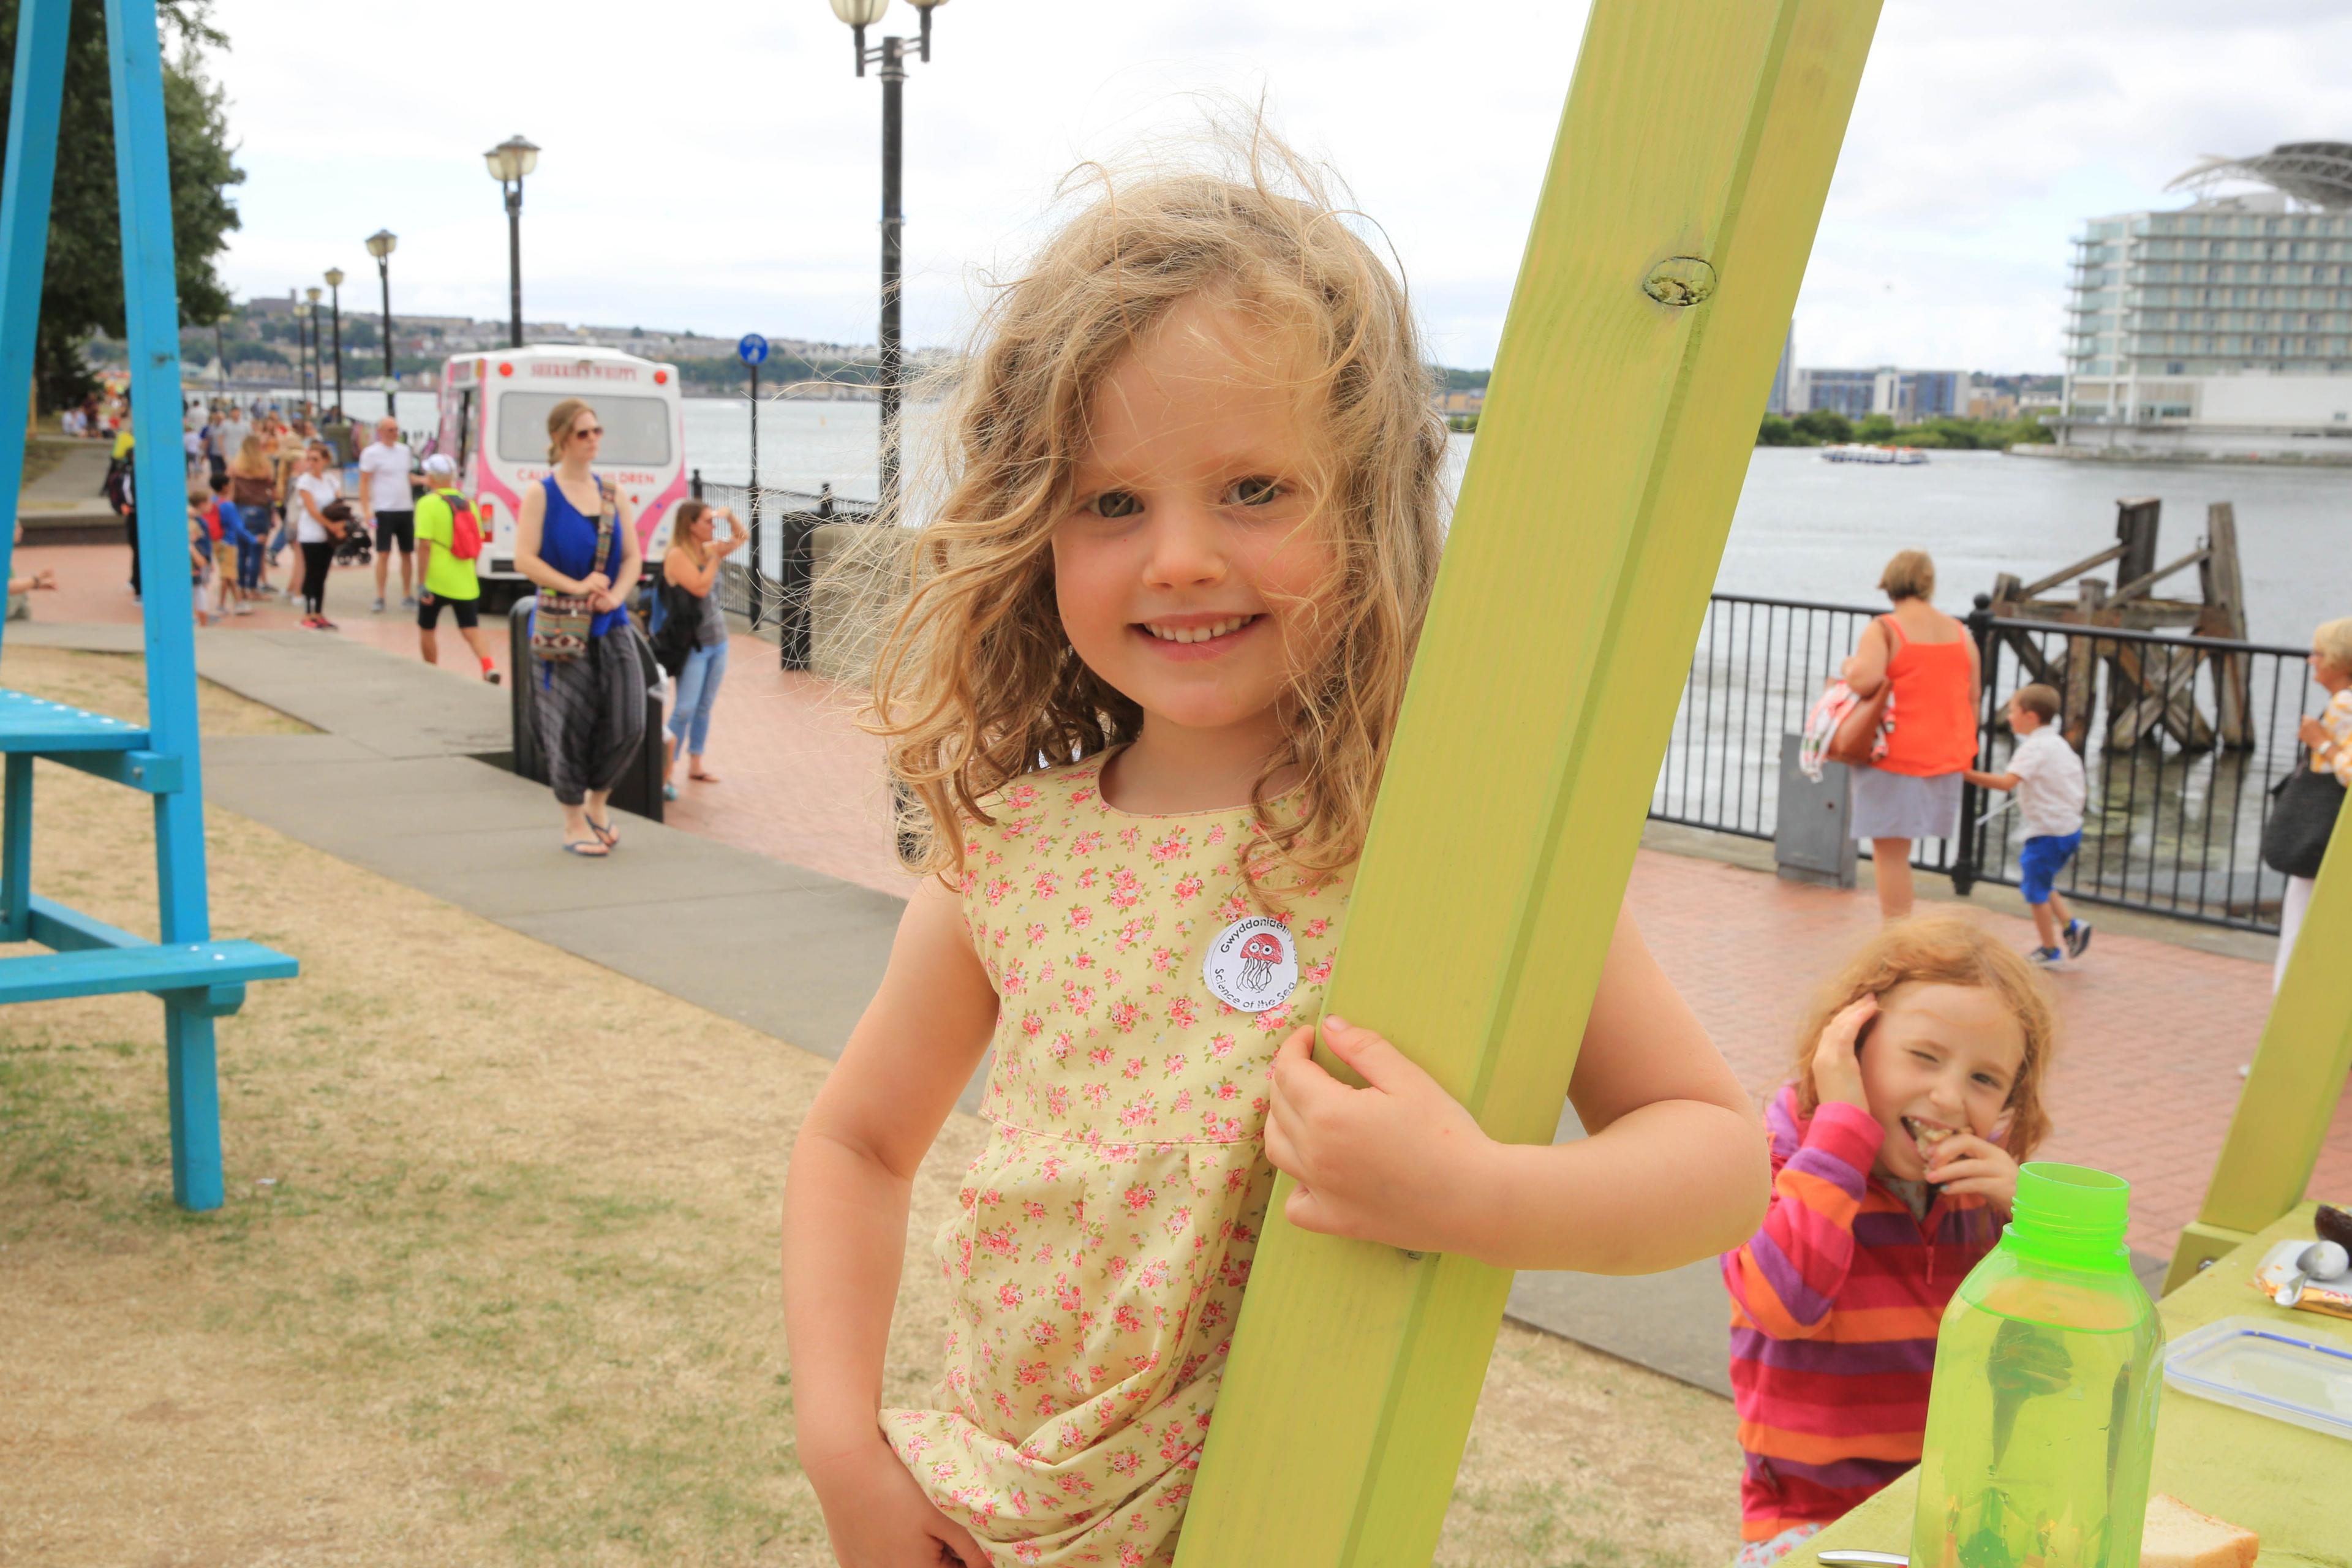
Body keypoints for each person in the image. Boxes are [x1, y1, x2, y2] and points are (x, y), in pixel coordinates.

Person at [777, 153, 1771, 1568]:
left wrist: (1476, 1193)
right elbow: (855, 1141)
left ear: (1370, 507)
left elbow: (1715, 1155)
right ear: (1029, 524)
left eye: (1252, 487)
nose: (1178, 557)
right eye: (1110, 503)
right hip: (985, 1518)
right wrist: (842, 1449)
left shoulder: (1442, 849)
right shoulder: (1007, 850)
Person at [1721, 918, 2054, 1566]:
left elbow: (2044, 1356)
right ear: (1852, 1042)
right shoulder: (1774, 1159)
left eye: (1986, 1080)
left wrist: (2032, 1222)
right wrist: (1842, 1133)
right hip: (1809, 1520)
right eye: (1924, 1056)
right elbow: (1784, 1302)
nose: (1950, 1096)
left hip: (1951, 1508)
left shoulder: (1986, 1193)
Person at [514, 398, 644, 857]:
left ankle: (598, 802)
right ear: (560, 439)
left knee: (630, 719)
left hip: (612, 623)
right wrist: (576, 585)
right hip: (561, 628)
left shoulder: (613, 493)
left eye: (597, 431)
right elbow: (524, 558)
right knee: (566, 723)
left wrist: (615, 593)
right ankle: (573, 821)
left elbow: (632, 558)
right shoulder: (542, 494)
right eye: (583, 433)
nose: (593, 440)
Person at [1841, 550, 1979, 920]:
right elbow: (1973, 696)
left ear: (1890, 581)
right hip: (1944, 755)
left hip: (1894, 755)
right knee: (1906, 851)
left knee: (1890, 855)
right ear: (1928, 583)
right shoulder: (1961, 633)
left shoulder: (1885, 628)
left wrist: (1849, 665)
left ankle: (1897, 938)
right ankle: (1902, 934)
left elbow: (1864, 679)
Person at [1962, 683, 2090, 968]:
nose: (2008, 717)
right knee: (2043, 881)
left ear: (2030, 717)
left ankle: (2050, 950)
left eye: (2012, 711)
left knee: (2035, 890)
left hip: (2047, 832)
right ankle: (2071, 926)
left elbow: (2007, 783)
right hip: (2068, 828)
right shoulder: (2058, 744)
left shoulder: (2033, 749)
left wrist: (1966, 774)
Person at [2275, 617, 2352, 992]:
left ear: (2338, 662)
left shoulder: (2343, 705)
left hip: (2323, 829)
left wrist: (2320, 741)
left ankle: (2286, 1000)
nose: (2311, 661)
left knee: (2298, 924)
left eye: (2319, 654)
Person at [656, 500, 744, 800]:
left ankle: (696, 763)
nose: (712, 526)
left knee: (704, 706)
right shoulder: (678, 555)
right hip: (692, 644)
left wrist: (730, 516)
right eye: (707, 521)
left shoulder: (708, 550)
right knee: (684, 708)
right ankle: (663, 770)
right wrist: (716, 558)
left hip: (718, 641)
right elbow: (699, 588)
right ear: (690, 524)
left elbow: (742, 538)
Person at [413, 453, 499, 683]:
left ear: (431, 477)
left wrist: (421, 583)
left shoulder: (426, 504)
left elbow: (424, 545)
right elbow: (478, 542)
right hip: (465, 579)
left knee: (427, 627)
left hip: (435, 578)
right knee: (471, 627)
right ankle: (488, 666)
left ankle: (431, 672)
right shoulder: (469, 504)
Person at [358, 415, 421, 612]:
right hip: (384, 509)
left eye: (396, 430)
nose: (395, 434)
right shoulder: (371, 453)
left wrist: (427, 481)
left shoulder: (404, 452)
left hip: (405, 508)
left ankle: (407, 594)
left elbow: (407, 476)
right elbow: (364, 481)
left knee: (407, 553)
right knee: (383, 553)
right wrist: (367, 509)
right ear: (381, 432)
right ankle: (380, 595)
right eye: (391, 430)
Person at [290, 442, 344, 630]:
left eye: (316, 459)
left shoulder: (330, 480)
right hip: (311, 534)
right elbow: (312, 509)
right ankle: (308, 612)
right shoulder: (305, 482)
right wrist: (331, 525)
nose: (312, 463)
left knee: (322, 574)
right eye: (309, 459)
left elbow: (339, 504)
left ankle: (319, 612)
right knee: (312, 572)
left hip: (327, 536)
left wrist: (340, 525)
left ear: (325, 461)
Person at [227, 435, 277, 598]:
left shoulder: (235, 467)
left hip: (240, 509)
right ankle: (253, 588)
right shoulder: (265, 467)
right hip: (260, 510)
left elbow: (228, 485)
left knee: (241, 552)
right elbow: (273, 490)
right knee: (257, 551)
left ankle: (241, 588)